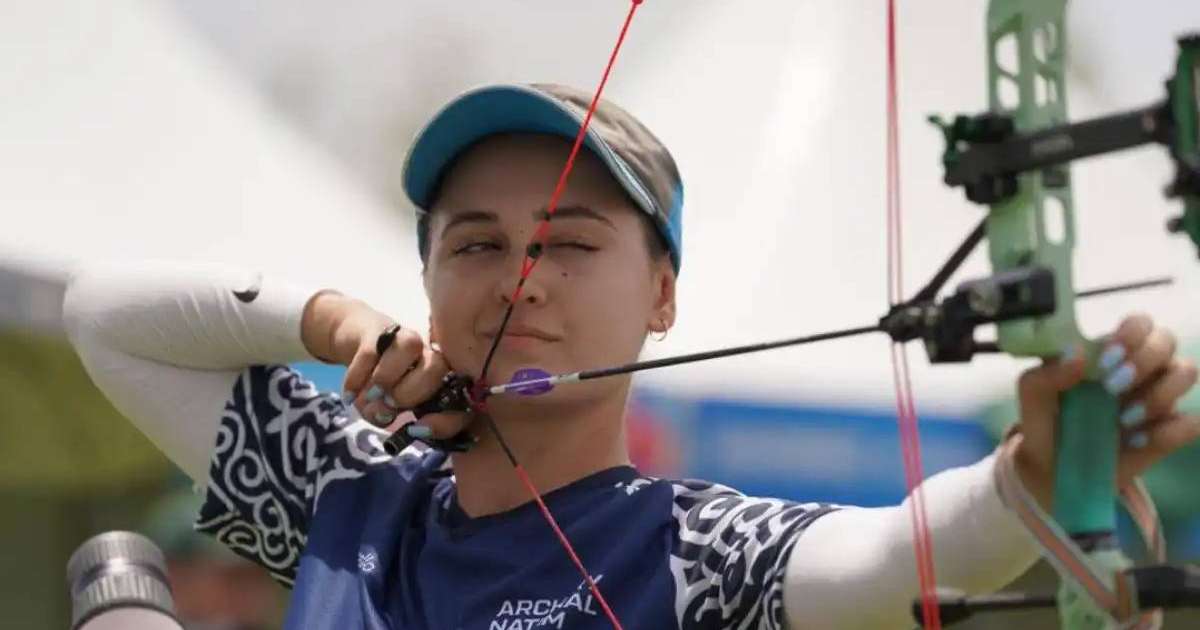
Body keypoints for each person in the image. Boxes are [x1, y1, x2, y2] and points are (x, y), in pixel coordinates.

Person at [62, 83, 1199, 629]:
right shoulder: (348, 495)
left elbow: (895, 555)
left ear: (662, 294)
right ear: (427, 286)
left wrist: (1039, 475)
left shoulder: (686, 552)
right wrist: (327, 325)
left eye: (567, 242)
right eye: (477, 244)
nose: (520, 278)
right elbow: (105, 319)